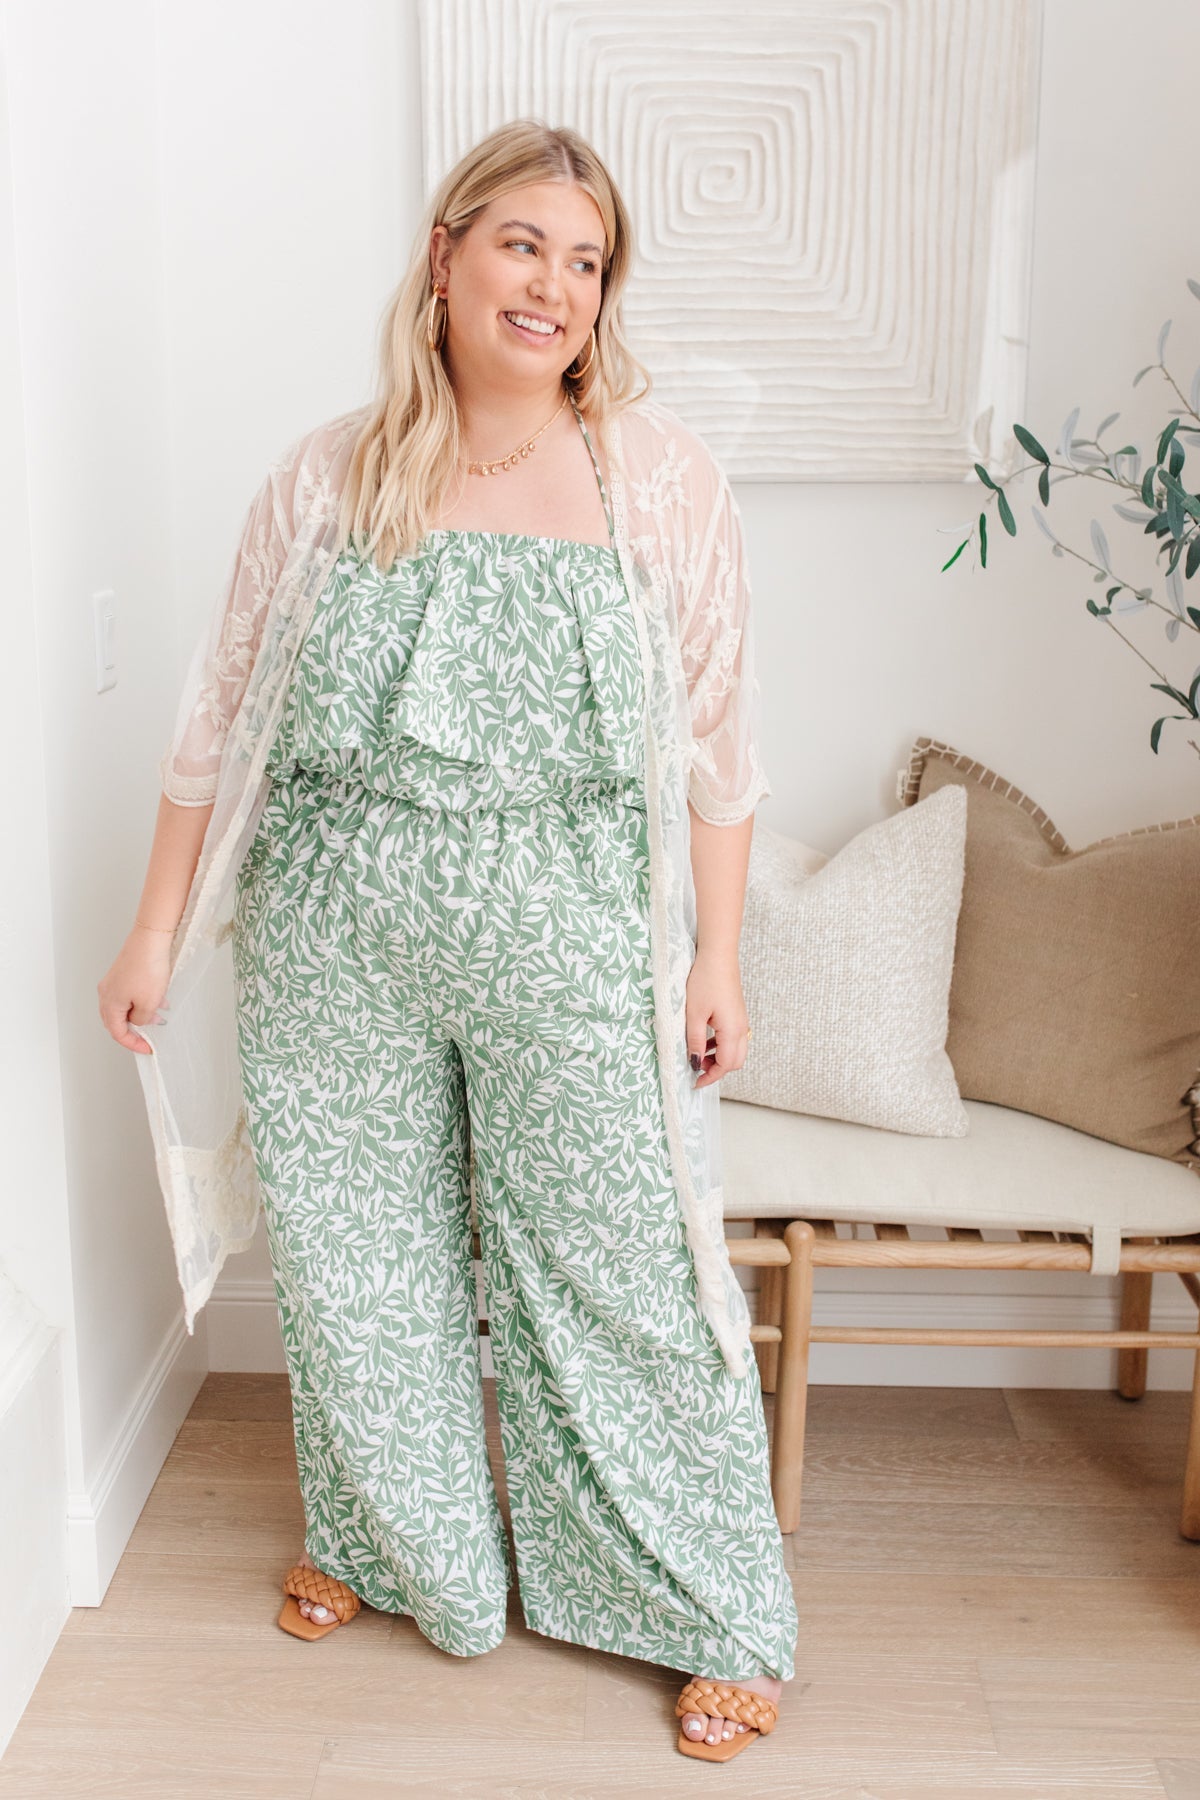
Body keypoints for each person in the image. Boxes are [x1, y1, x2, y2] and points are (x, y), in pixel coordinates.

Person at [98, 118, 797, 1762]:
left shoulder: (658, 479)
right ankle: (389, 1543)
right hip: (332, 932)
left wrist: (716, 958)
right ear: (446, 256)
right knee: (356, 1261)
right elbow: (216, 718)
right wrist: (154, 932)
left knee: (623, 1271)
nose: (552, 286)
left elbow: (721, 738)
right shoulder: (328, 475)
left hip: (569, 935)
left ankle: (708, 1610)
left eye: (585, 261)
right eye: (522, 245)